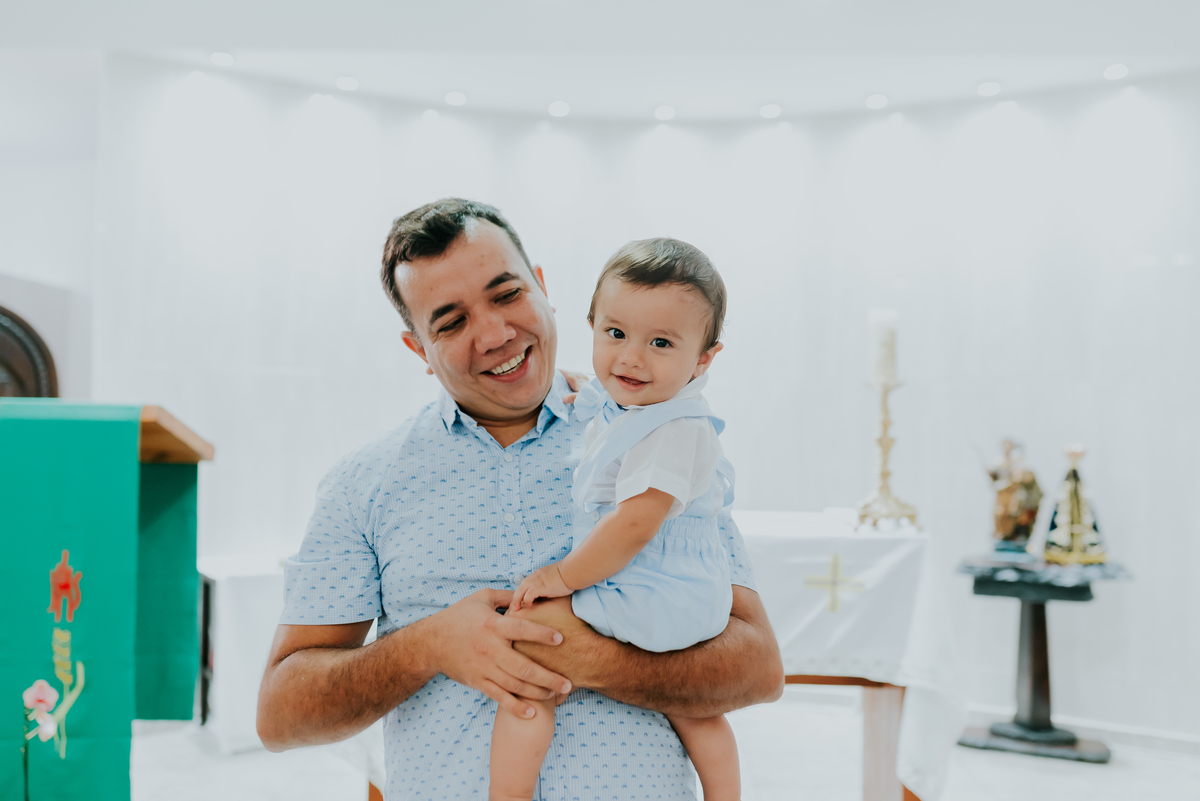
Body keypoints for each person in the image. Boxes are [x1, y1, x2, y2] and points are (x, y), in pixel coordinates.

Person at [256, 198, 784, 800]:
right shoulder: (364, 484)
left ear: (541, 287)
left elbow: (759, 669)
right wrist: (429, 645)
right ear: (418, 349)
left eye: (506, 295)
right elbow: (282, 715)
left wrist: (597, 659)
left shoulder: (648, 435)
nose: (495, 334)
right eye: (450, 322)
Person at [493, 238, 741, 801]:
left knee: (528, 653)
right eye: (615, 333)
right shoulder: (632, 403)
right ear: (591, 324)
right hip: (681, 590)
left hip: (656, 589)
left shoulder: (674, 430)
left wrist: (560, 578)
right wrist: (581, 386)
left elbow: (634, 526)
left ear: (704, 358)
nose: (630, 357)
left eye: (660, 342)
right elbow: (600, 406)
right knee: (695, 711)